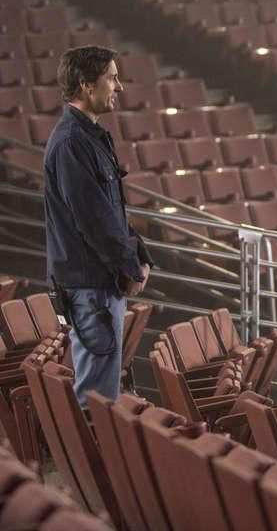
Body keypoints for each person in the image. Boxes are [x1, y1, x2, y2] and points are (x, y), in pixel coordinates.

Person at [44, 45, 154, 407]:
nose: (119, 86)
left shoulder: (90, 136)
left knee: (101, 389)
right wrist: (130, 269)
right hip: (91, 285)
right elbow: (93, 220)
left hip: (98, 282)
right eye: (112, 77)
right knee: (95, 398)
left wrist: (141, 255)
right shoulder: (72, 142)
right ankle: (93, 461)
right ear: (86, 85)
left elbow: (112, 210)